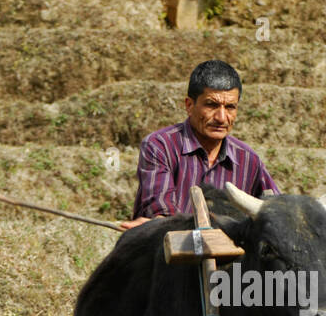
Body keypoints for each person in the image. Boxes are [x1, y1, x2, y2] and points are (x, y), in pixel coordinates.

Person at [119, 60, 279, 230]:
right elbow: (161, 212)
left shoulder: (248, 160)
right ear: (189, 105)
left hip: (233, 255)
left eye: (230, 107)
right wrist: (160, 222)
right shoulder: (160, 146)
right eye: (211, 105)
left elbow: (278, 212)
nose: (222, 118)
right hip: (169, 252)